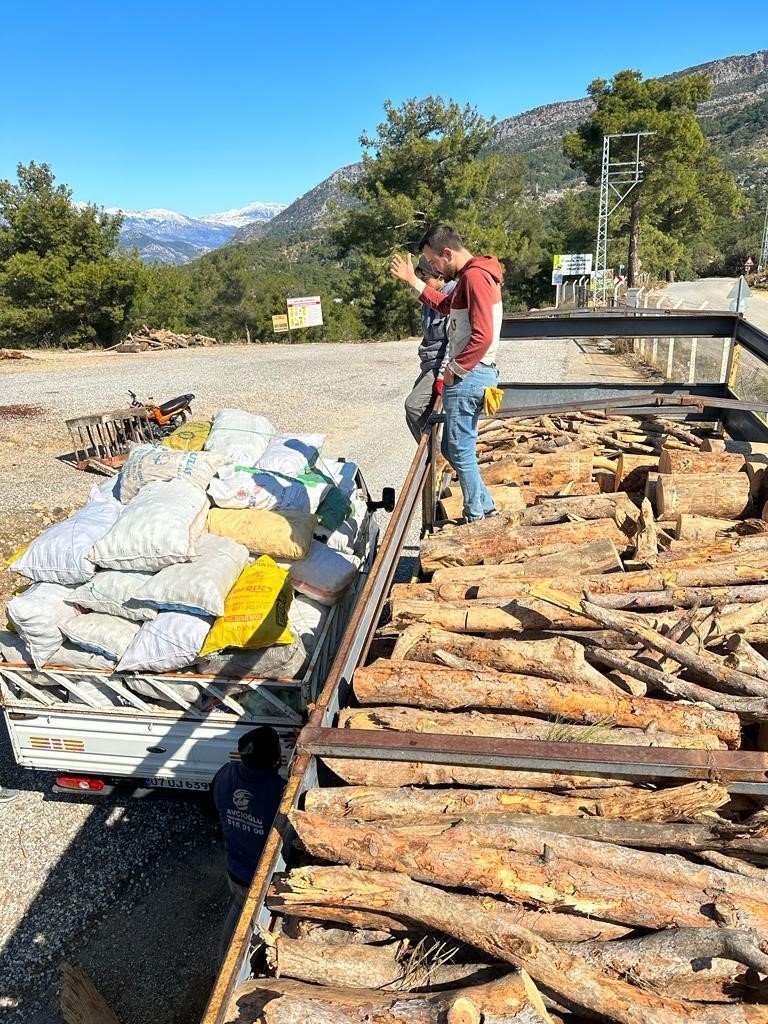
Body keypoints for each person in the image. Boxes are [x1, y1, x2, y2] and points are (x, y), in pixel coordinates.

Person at [391, 223, 503, 521]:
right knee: (455, 448)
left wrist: (453, 369)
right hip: (473, 375)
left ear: (447, 253)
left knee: (458, 448)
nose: (433, 267)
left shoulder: (476, 278)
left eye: (433, 261)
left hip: (470, 376)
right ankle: (486, 506)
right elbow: (443, 305)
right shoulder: (472, 277)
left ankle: (476, 516)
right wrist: (413, 282)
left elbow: (484, 335)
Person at [213, 725, 286, 960]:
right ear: (275, 758)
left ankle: (222, 959)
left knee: (239, 906)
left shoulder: (225, 773)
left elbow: (211, 806)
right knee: (255, 923)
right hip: (259, 876)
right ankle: (240, 964)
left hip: (234, 868)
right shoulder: (277, 792)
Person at [404, 254, 456, 441]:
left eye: (425, 278)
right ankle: (433, 451)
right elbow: (420, 293)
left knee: (414, 405)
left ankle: (434, 451)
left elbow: (454, 342)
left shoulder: (452, 295)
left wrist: (442, 376)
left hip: (439, 364)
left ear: (440, 276)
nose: (422, 283)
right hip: (429, 363)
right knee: (418, 412)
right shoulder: (431, 298)